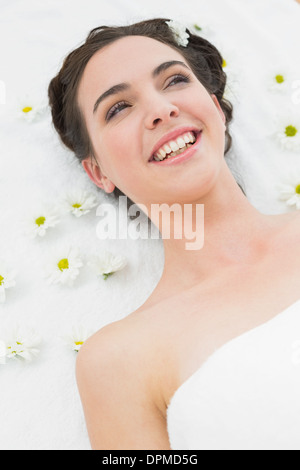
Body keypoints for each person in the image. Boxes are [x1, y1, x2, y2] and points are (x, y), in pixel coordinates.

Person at [48, 18, 300, 450]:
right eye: (118, 108)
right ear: (98, 171)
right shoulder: (117, 360)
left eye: (175, 80)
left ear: (216, 109)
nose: (161, 110)